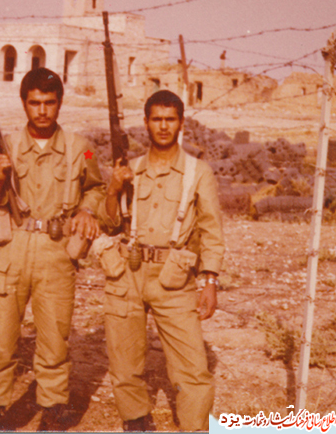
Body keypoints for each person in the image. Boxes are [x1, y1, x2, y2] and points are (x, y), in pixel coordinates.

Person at [0, 67, 105, 430]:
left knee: (54, 336)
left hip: (55, 250)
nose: (42, 110)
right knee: (0, 337)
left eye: (49, 102)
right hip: (12, 247)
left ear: (60, 103)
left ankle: (52, 406)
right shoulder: (4, 147)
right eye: (35, 103)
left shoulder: (82, 148)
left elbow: (96, 186)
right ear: (23, 103)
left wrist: (87, 210)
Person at [100, 89, 224, 431]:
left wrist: (210, 281)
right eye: (157, 119)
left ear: (181, 123)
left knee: (192, 366)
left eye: (171, 119)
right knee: (124, 360)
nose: (164, 126)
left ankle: (194, 426)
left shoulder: (198, 172)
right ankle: (135, 420)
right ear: (146, 123)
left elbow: (212, 231)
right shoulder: (130, 170)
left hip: (174, 277)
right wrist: (113, 188)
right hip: (128, 271)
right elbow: (109, 223)